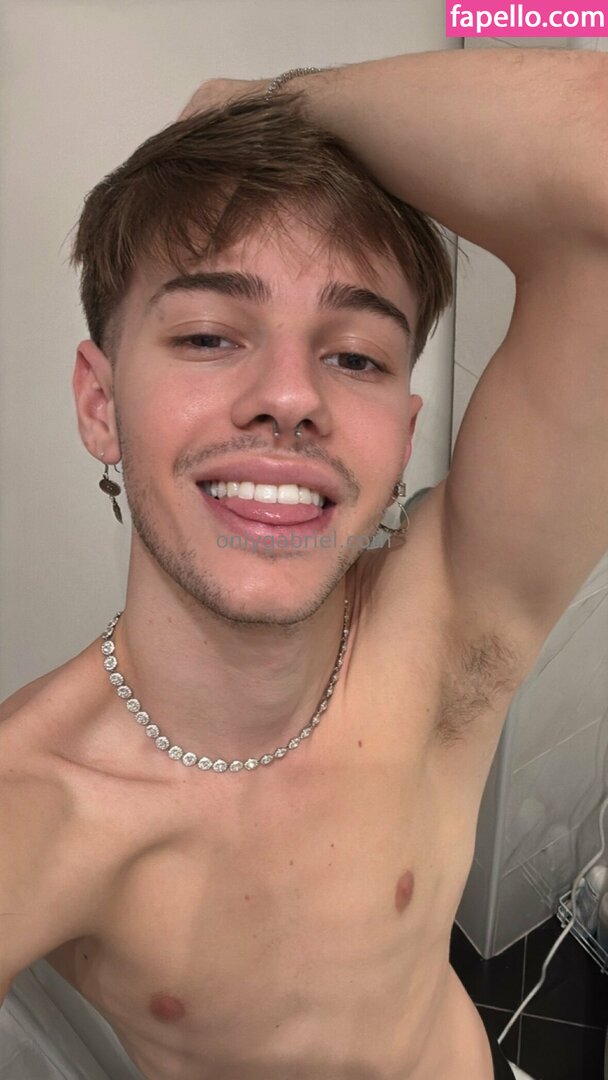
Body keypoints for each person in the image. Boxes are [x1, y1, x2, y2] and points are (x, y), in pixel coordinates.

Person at [1, 47, 606, 1080]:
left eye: (355, 356)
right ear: (101, 404)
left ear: (402, 435)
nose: (290, 397)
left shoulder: (449, 628)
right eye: (208, 336)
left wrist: (260, 100)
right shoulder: (39, 807)